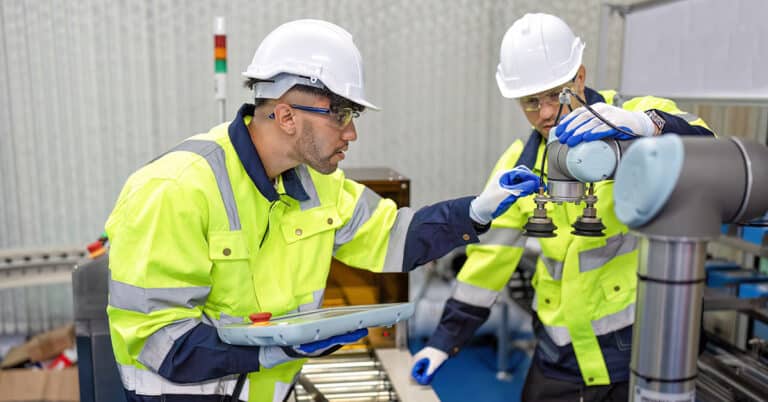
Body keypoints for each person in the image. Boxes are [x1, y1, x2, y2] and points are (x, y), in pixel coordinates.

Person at [105, 19, 541, 402]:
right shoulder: (173, 190)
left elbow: (395, 238)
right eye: (340, 115)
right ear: (286, 116)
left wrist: (477, 211)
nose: (351, 133)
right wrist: (283, 348)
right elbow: (161, 342)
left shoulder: (318, 185)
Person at [411, 13, 714, 402]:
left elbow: (713, 150)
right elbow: (488, 262)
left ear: (581, 78)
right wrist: (443, 342)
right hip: (559, 354)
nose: (546, 113)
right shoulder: (519, 163)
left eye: (556, 94)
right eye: (531, 102)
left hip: (634, 348)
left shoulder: (640, 115)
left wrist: (646, 126)